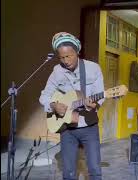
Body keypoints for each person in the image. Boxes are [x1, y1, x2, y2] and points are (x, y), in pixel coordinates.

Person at [39, 32, 105, 180]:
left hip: (89, 126)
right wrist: (54, 105)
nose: (66, 61)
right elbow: (44, 96)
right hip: (67, 129)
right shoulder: (57, 71)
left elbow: (100, 95)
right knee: (68, 172)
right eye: (62, 57)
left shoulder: (93, 68)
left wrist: (93, 105)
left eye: (69, 56)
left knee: (95, 170)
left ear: (77, 52)